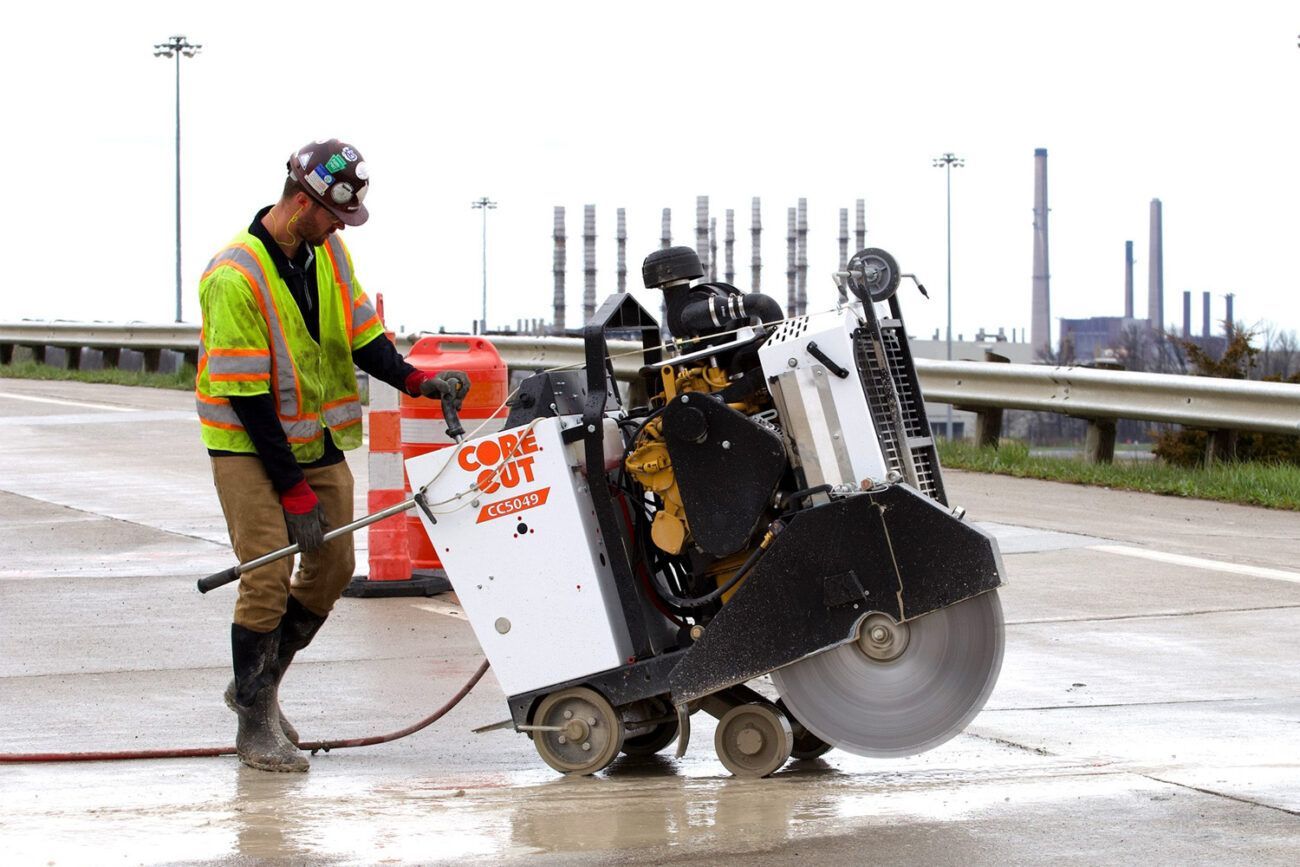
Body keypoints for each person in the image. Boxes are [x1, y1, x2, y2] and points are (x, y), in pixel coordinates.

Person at [196, 139, 469, 772]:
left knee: (333, 565)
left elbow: (361, 333)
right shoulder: (233, 276)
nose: (338, 229)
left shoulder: (327, 252)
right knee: (266, 574)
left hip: (312, 438)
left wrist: (414, 380)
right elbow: (250, 397)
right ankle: (257, 721)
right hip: (247, 443)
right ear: (299, 203)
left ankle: (256, 686)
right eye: (331, 217)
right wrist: (290, 491)